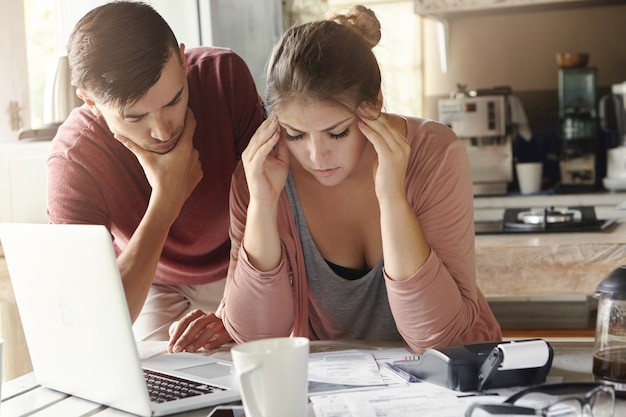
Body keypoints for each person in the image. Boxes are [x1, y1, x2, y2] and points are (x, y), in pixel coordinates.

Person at [211, 5, 503, 354]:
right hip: (333, 391)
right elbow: (253, 338)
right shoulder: (261, 173)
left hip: (451, 383)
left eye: (336, 133)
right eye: (295, 134)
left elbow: (439, 338)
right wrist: (261, 206)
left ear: (375, 104)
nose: (316, 156)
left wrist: (393, 197)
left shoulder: (434, 154)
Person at [46, 1, 264, 352]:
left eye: (174, 100)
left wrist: (231, 311)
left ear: (182, 59)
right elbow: (95, 317)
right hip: (151, 282)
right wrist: (166, 200)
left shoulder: (224, 76)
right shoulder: (74, 157)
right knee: (163, 384)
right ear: (89, 101)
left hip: (244, 262)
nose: (163, 131)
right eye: (135, 117)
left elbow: (268, 210)